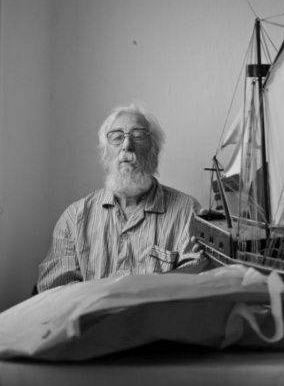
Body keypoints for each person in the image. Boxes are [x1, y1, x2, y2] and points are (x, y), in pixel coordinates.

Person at [36, 103, 201, 292]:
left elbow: (193, 289)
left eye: (138, 136)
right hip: (93, 313)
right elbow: (55, 292)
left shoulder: (187, 213)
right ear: (105, 153)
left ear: (154, 151)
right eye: (117, 137)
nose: (127, 145)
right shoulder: (74, 219)